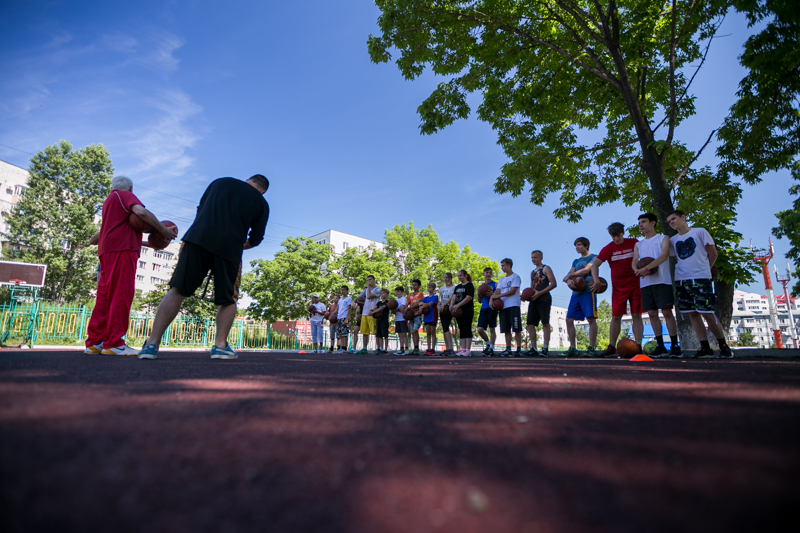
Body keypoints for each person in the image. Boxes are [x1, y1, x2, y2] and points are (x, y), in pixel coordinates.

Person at [138, 174, 269, 360]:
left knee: (177, 290)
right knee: (228, 299)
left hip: (197, 239)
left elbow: (201, 209)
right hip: (229, 249)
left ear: (247, 180)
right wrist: (235, 244)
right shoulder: (262, 203)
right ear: (262, 191)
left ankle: (151, 344)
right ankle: (220, 346)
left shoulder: (220, 182)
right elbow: (256, 239)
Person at [85, 175, 176, 356]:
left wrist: (144, 243)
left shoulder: (108, 202)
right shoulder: (124, 195)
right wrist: (162, 229)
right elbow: (141, 213)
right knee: (121, 293)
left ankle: (96, 342)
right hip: (122, 251)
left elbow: (96, 237)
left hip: (107, 252)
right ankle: (114, 343)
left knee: (104, 298)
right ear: (131, 189)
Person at [666, 210, 733, 359]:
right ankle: (704, 347)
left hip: (701, 278)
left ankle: (723, 346)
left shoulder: (699, 232)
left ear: (683, 217)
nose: (671, 223)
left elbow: (713, 253)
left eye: (674, 219)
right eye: (669, 221)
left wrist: (704, 270)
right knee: (693, 314)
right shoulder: (673, 240)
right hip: (682, 279)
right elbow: (677, 258)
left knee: (707, 312)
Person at [632, 213, 682, 358]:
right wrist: (636, 270)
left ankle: (674, 345)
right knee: (652, 314)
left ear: (653, 223)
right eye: (639, 222)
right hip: (645, 283)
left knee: (667, 312)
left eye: (643, 222)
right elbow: (635, 260)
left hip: (662, 281)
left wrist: (647, 268)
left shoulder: (663, 238)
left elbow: (664, 256)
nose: (640, 224)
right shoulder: (638, 244)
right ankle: (660, 346)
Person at [591, 222, 644, 357]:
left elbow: (645, 258)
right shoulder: (609, 248)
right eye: (613, 236)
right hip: (619, 287)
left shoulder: (634, 243)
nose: (616, 239)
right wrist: (596, 280)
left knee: (637, 315)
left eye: (618, 236)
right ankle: (611, 346)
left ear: (623, 233)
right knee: (616, 317)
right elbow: (594, 265)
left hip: (636, 284)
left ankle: (638, 346)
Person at [564, 237, 598, 357]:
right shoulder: (575, 261)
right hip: (576, 293)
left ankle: (592, 347)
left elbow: (586, 270)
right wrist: (568, 281)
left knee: (591, 319)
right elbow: (567, 276)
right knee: (568, 319)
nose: (577, 247)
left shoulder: (594, 257)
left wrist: (570, 276)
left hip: (588, 291)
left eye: (579, 245)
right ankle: (573, 347)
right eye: (576, 245)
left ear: (586, 245)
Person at [524, 250, 557, 357]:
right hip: (535, 300)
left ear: (541, 258)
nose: (533, 259)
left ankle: (545, 347)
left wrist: (539, 293)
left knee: (545, 323)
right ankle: (533, 347)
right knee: (530, 323)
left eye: (535, 257)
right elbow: (532, 288)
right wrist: (527, 296)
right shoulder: (532, 272)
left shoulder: (546, 268)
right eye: (532, 258)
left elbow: (553, 284)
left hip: (544, 299)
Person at [491, 258, 523, 357]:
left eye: (503, 265)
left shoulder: (515, 277)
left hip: (513, 305)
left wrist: (498, 296)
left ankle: (518, 349)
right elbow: (497, 291)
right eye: (501, 266)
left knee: (516, 328)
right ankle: (508, 349)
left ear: (509, 265)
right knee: (506, 329)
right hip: (503, 307)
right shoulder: (501, 279)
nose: (502, 268)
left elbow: (513, 291)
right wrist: (492, 298)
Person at [450, 270, 475, 356]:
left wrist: (458, 305)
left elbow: (469, 297)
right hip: (458, 311)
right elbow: (453, 297)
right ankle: (463, 349)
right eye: (458, 276)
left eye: (461, 275)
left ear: (465, 276)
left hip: (467, 310)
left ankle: (468, 350)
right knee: (461, 330)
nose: (459, 277)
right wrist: (452, 305)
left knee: (467, 328)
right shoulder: (457, 287)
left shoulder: (469, 285)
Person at [356, 275, 382, 354]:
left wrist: (368, 288)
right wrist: (354, 302)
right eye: (367, 280)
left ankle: (378, 348)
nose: (369, 281)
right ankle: (364, 348)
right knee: (364, 332)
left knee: (375, 332)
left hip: (372, 313)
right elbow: (358, 298)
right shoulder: (366, 290)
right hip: (364, 313)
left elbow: (369, 296)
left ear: (374, 280)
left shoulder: (377, 289)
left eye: (370, 280)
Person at [476, 267, 498, 356]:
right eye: (487, 272)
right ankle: (488, 344)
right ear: (484, 274)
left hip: (492, 307)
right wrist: (478, 294)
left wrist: (492, 294)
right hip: (483, 308)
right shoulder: (481, 287)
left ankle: (492, 348)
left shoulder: (495, 284)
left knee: (492, 328)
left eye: (490, 273)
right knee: (479, 329)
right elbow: (479, 301)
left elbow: (499, 297)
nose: (488, 274)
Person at [438, 273, 456, 356]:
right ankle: (447, 348)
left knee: (446, 327)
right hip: (442, 309)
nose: (446, 279)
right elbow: (440, 298)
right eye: (444, 277)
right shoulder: (441, 288)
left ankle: (450, 348)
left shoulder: (454, 287)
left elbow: (451, 298)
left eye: (447, 277)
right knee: (444, 328)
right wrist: (438, 305)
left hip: (448, 309)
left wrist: (444, 305)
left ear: (450, 278)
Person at [369, 288, 391, 354]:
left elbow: (382, 308)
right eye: (381, 293)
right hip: (378, 320)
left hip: (384, 320)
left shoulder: (388, 302)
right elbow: (374, 307)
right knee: (379, 335)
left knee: (385, 335)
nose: (382, 294)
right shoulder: (379, 302)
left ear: (387, 294)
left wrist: (373, 312)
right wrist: (370, 311)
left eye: (383, 293)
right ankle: (381, 348)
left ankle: (385, 349)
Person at [406, 279, 425, 355]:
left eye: (415, 285)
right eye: (413, 284)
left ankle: (417, 348)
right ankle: (414, 348)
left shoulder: (420, 294)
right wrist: (403, 309)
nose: (413, 286)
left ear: (419, 286)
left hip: (417, 315)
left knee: (415, 330)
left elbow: (418, 304)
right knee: (412, 332)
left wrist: (408, 308)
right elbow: (406, 304)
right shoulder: (410, 296)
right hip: (411, 316)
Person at [420, 282, 439, 355]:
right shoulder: (426, 298)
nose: (428, 289)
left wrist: (423, 305)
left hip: (433, 316)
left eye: (430, 287)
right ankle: (428, 348)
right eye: (428, 287)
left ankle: (433, 348)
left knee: (433, 332)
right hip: (426, 317)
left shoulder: (435, 296)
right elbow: (420, 303)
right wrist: (423, 305)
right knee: (428, 333)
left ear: (434, 289)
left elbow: (430, 304)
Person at [393, 286, 409, 355]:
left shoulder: (403, 299)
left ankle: (407, 348)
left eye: (398, 291)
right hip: (397, 319)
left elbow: (402, 308)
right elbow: (393, 311)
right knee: (399, 334)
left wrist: (395, 309)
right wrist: (392, 310)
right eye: (396, 292)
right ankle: (401, 348)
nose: (397, 293)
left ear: (402, 292)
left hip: (403, 318)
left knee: (404, 334)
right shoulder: (395, 301)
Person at [336, 286, 352, 353]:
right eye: (341, 290)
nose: (342, 291)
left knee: (344, 333)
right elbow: (338, 309)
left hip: (344, 317)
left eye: (344, 290)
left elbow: (349, 309)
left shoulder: (348, 299)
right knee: (340, 334)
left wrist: (347, 318)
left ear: (347, 291)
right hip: (339, 317)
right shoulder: (340, 300)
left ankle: (345, 347)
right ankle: (342, 347)